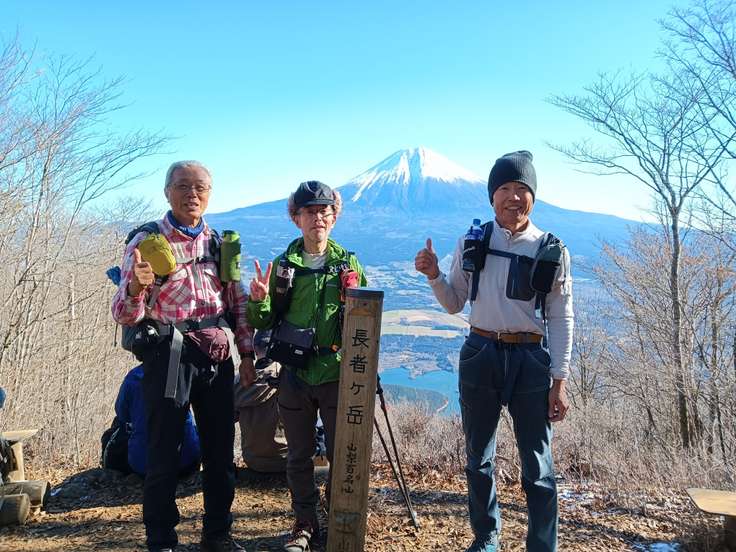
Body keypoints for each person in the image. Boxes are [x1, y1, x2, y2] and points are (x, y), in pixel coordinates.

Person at [414, 151, 573, 552]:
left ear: (533, 196)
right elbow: (455, 302)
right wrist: (434, 275)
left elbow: (560, 316)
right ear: (491, 196)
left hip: (530, 358)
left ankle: (542, 546)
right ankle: (487, 537)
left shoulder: (551, 249)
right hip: (480, 350)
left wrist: (560, 380)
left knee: (538, 466)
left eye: (522, 188)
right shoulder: (473, 241)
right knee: (478, 457)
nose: (513, 197)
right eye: (505, 188)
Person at [111, 160, 254, 552]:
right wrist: (135, 289)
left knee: (221, 452)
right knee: (163, 452)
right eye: (183, 186)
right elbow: (123, 313)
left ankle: (217, 534)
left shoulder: (220, 244)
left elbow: (237, 303)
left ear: (210, 193)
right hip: (168, 356)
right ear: (167, 192)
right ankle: (161, 540)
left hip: (216, 355)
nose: (192, 194)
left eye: (200, 187)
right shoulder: (147, 241)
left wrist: (246, 354)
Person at [245, 181, 367, 552]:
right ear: (296, 218)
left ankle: (337, 516)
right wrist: (258, 301)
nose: (318, 218)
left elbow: (364, 318)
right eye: (309, 212)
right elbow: (264, 321)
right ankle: (305, 521)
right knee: (298, 454)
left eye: (324, 211)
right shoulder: (283, 266)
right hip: (295, 375)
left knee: (340, 451)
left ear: (335, 217)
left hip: (335, 373)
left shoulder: (348, 265)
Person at [114, 365, 201, 477]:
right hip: (187, 461)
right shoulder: (183, 370)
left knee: (119, 426)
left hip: (144, 467)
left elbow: (122, 415)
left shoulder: (133, 377)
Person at [233, 330, 288, 474]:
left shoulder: (239, 381)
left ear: (255, 349)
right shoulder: (286, 376)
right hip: (286, 459)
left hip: (253, 460)